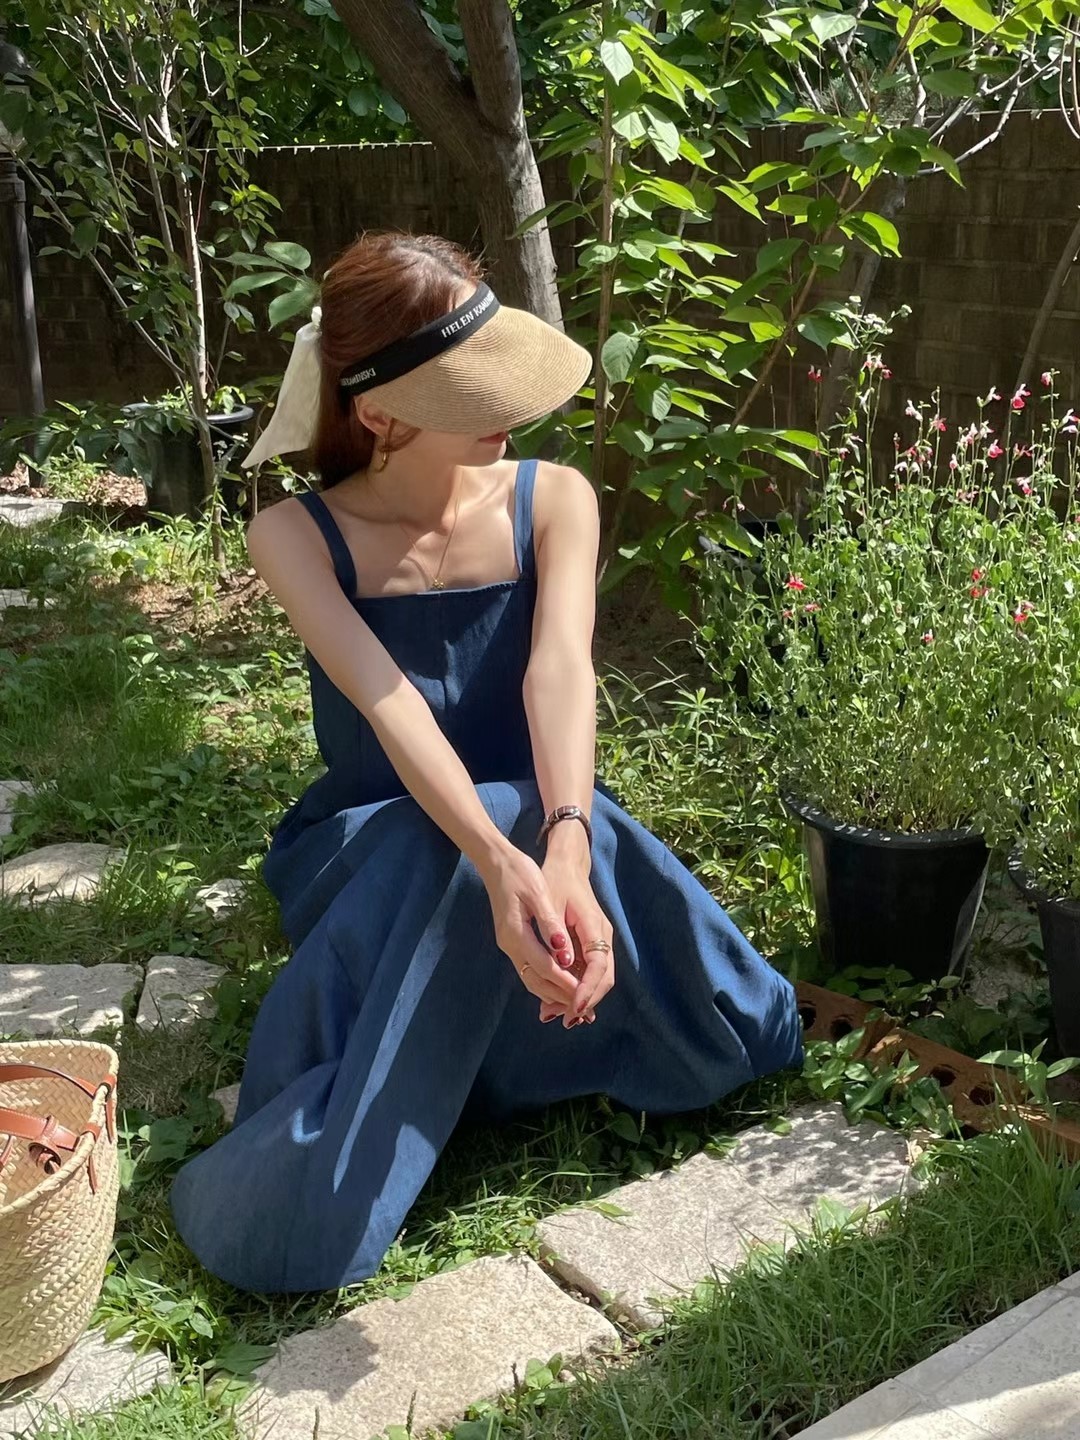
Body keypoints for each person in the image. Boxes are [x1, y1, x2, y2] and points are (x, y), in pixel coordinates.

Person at [170, 231, 802, 1295]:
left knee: (639, 922)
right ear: (379, 415)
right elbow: (392, 710)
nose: (506, 407)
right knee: (464, 847)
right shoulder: (292, 534)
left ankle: (469, 1045)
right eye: (468, 392)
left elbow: (560, 674)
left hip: (547, 818)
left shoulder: (554, 498)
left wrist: (565, 847)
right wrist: (502, 863)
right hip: (376, 846)